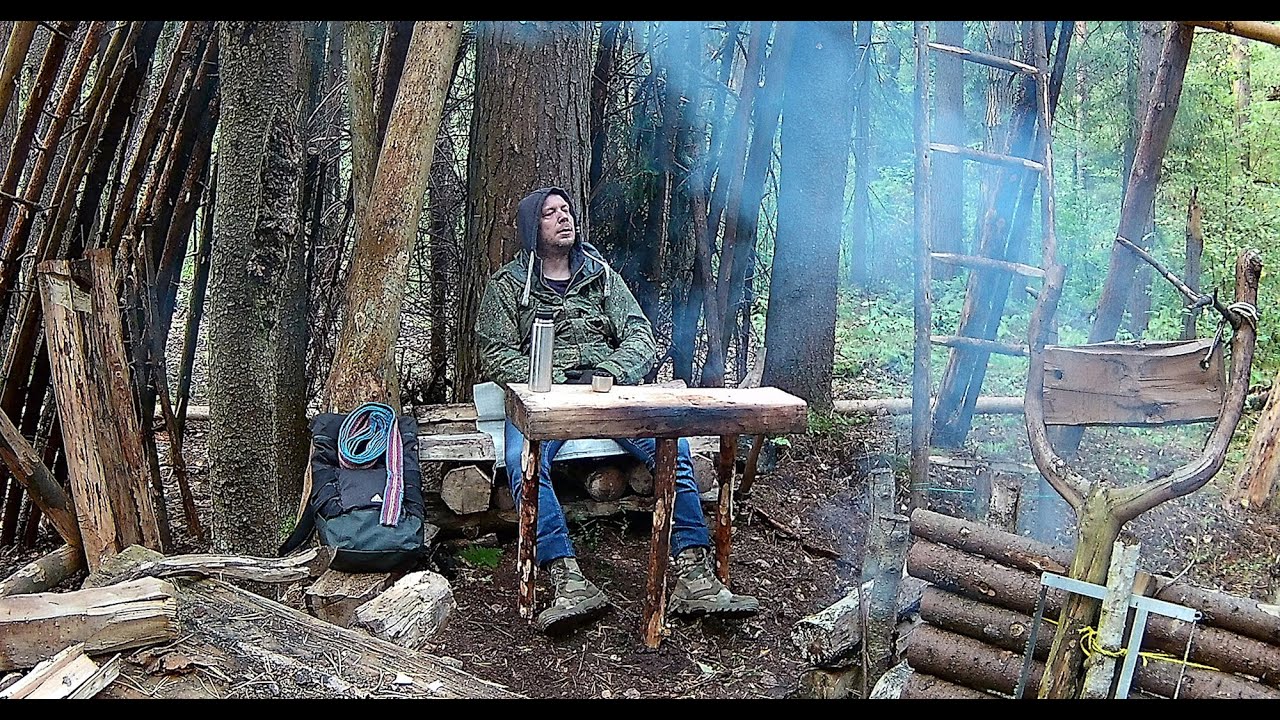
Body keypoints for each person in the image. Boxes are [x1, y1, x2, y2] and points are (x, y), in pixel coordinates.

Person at [475, 186, 759, 633]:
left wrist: (609, 372)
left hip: (610, 392)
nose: (563, 218)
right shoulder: (509, 286)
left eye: (566, 210)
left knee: (674, 448)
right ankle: (568, 578)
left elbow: (640, 334)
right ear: (533, 227)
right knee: (521, 462)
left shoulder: (602, 276)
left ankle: (692, 571)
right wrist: (544, 382)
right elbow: (493, 351)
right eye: (550, 214)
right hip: (544, 396)